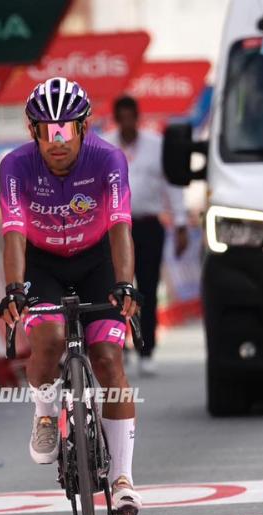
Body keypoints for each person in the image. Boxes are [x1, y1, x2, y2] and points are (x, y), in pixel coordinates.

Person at [0, 77, 142, 515]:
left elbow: (120, 225)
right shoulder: (15, 166)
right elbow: (14, 232)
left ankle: (122, 480)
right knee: (49, 339)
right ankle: (44, 412)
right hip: (43, 262)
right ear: (32, 130)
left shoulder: (108, 159)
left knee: (108, 359)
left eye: (65, 128)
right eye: (46, 129)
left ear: (83, 126)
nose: (56, 140)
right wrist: (15, 290)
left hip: (96, 259)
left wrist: (125, 283)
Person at [103, 95, 189, 376]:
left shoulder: (156, 145)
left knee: (148, 289)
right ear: (116, 119)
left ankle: (146, 348)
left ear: (138, 118)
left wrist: (180, 223)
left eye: (132, 117)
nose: (127, 123)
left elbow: (173, 186)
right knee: (115, 288)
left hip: (148, 225)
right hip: (114, 228)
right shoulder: (103, 146)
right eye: (122, 118)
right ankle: (119, 346)